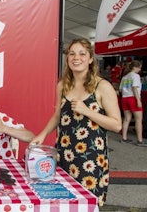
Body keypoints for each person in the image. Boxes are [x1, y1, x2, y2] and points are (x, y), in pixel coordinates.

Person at [30, 38, 122, 207]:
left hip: (90, 160)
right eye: (72, 54)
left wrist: (87, 111)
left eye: (82, 53)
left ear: (90, 58)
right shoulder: (63, 85)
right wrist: (42, 135)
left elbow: (117, 125)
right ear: (67, 59)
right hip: (64, 154)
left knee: (86, 205)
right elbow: (58, 115)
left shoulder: (102, 86)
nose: (76, 57)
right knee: (63, 203)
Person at [119, 60, 146, 146]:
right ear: (135, 67)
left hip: (124, 98)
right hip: (133, 98)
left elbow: (120, 89)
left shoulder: (124, 77)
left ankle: (124, 138)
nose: (140, 69)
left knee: (126, 119)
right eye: (139, 67)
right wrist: (138, 100)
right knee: (138, 120)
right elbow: (134, 88)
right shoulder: (136, 76)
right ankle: (139, 140)